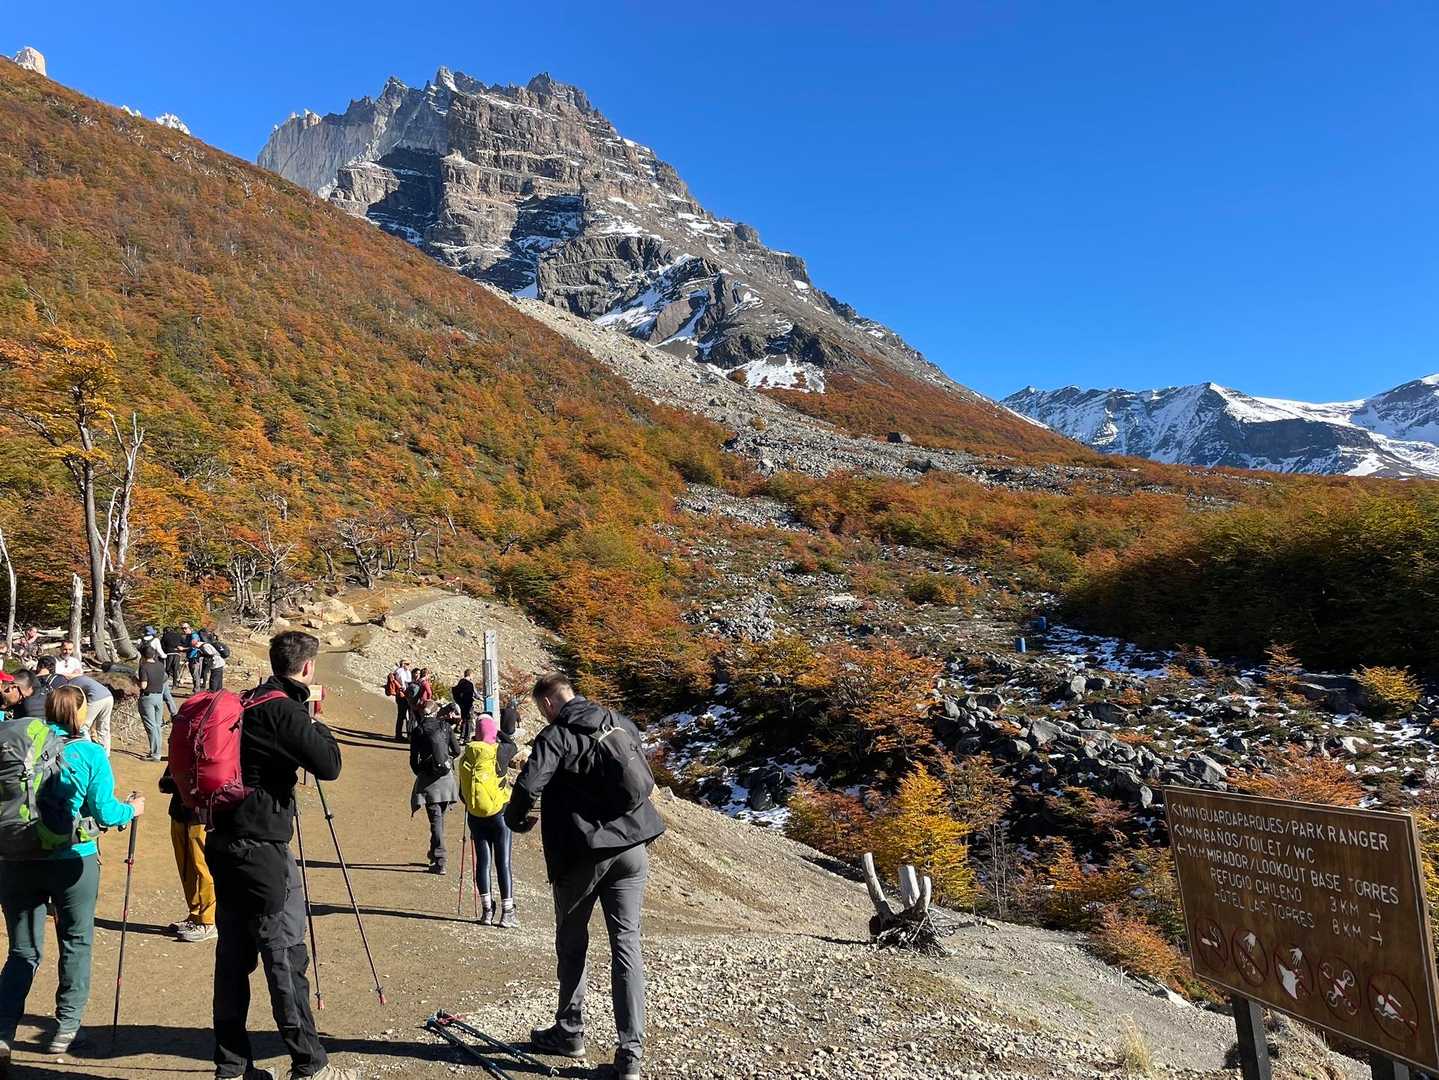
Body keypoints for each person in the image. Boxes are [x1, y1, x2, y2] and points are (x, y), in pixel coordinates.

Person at [505, 675, 664, 1080]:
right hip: (632, 847)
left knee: (572, 944)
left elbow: (529, 786)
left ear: (547, 704)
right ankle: (630, 1057)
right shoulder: (618, 721)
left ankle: (570, 1032)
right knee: (626, 944)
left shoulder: (556, 736)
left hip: (581, 855)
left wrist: (515, 819)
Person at [208, 630, 351, 1080]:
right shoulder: (283, 710)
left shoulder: (244, 702)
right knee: (284, 953)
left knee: (233, 959)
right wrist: (316, 722)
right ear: (307, 667)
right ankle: (309, 1063)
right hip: (263, 848)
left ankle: (231, 1066)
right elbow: (329, 765)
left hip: (223, 841)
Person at [0, 685, 144, 1059]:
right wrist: (133, 809)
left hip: (15, 857)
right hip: (73, 859)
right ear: (81, 713)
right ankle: (66, 1030)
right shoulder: (90, 753)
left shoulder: (17, 745)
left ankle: (2, 1032)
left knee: (22, 951)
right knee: (76, 941)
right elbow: (107, 813)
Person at [458, 713, 516, 927]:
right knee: (503, 862)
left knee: (483, 862)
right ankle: (507, 912)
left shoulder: (466, 756)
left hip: (475, 817)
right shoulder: (499, 752)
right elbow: (513, 745)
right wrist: (498, 732)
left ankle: (487, 912)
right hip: (500, 814)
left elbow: (462, 793)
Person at [157, 767, 216, 942]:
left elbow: (216, 779)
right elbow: (165, 783)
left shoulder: (214, 751)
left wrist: (181, 781)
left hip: (201, 816)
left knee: (204, 868)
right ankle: (195, 915)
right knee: (186, 869)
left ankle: (208, 921)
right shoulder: (180, 751)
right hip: (179, 813)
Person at [409, 704, 461, 875]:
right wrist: (445, 762)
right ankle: (434, 853)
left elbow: (413, 760)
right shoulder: (445, 726)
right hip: (447, 779)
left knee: (436, 821)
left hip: (428, 781)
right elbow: (457, 750)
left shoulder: (418, 730)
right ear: (436, 712)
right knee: (439, 819)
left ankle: (440, 860)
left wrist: (422, 771)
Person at [137, 649, 170, 761]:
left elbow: (143, 685)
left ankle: (155, 754)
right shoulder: (160, 665)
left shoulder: (144, 667)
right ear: (154, 654)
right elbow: (164, 678)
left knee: (151, 726)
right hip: (159, 697)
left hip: (147, 698)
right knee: (157, 725)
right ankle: (157, 751)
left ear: (142, 655)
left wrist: (135, 680)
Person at [387, 659, 411, 741]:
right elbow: (403, 685)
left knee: (402, 715)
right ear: (403, 664)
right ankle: (399, 735)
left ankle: (399, 734)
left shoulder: (400, 671)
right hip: (402, 696)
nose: (409, 666)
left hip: (401, 695)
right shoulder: (401, 672)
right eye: (407, 664)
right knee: (402, 715)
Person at [452, 670, 476, 742]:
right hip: (468, 705)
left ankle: (462, 737)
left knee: (464, 720)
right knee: (469, 721)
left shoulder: (460, 682)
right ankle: (467, 738)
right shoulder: (469, 684)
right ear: (470, 675)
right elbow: (473, 694)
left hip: (461, 704)